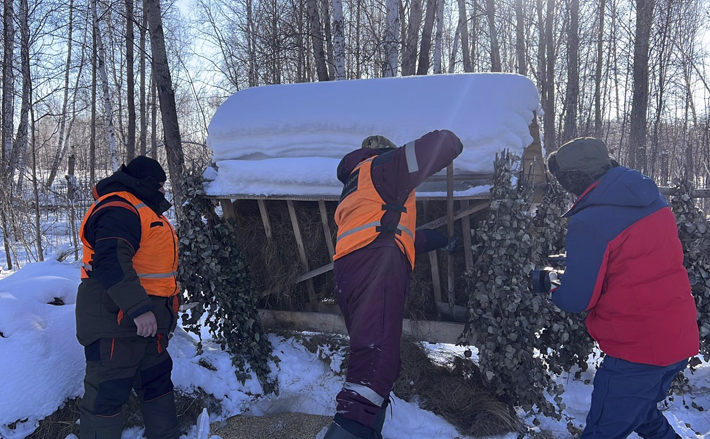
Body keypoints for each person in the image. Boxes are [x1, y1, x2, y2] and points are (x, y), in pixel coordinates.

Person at [544, 137, 699, 439]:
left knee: (603, 431)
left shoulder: (590, 220)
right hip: (678, 336)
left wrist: (549, 284)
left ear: (574, 179)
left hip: (638, 349)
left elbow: (576, 298)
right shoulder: (652, 201)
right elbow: (633, 263)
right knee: (643, 416)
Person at [324, 131, 463, 439]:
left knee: (377, 355)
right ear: (386, 153)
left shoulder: (357, 187)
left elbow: (400, 232)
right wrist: (453, 141)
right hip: (376, 266)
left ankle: (367, 430)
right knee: (374, 362)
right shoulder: (382, 168)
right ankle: (351, 430)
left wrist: (442, 241)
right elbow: (442, 144)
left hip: (351, 272)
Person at [75, 156, 180, 439]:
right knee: (108, 393)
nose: (162, 191)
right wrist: (138, 308)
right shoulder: (118, 207)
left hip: (148, 321)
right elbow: (111, 260)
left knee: (157, 383)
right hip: (116, 321)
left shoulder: (146, 211)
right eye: (159, 185)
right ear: (145, 183)